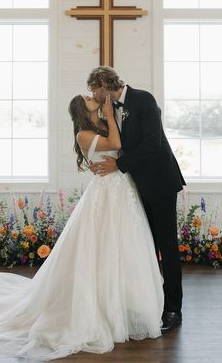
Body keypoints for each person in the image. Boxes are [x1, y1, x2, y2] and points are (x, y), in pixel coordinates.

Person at [0, 94, 164, 360]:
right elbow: (116, 143)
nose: (92, 97)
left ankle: (123, 304)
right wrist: (109, 114)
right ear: (82, 111)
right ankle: (96, 305)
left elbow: (124, 147)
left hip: (122, 192)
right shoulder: (84, 135)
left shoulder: (102, 126)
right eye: (87, 98)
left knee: (123, 246)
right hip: (103, 194)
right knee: (98, 245)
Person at [86, 66, 185, 333]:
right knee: (145, 246)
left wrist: (118, 165)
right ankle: (149, 303)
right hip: (136, 186)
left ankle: (173, 308)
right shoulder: (110, 110)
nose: (92, 94)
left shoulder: (144, 100)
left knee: (167, 245)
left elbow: (153, 144)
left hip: (161, 183)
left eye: (93, 88)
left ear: (104, 84)